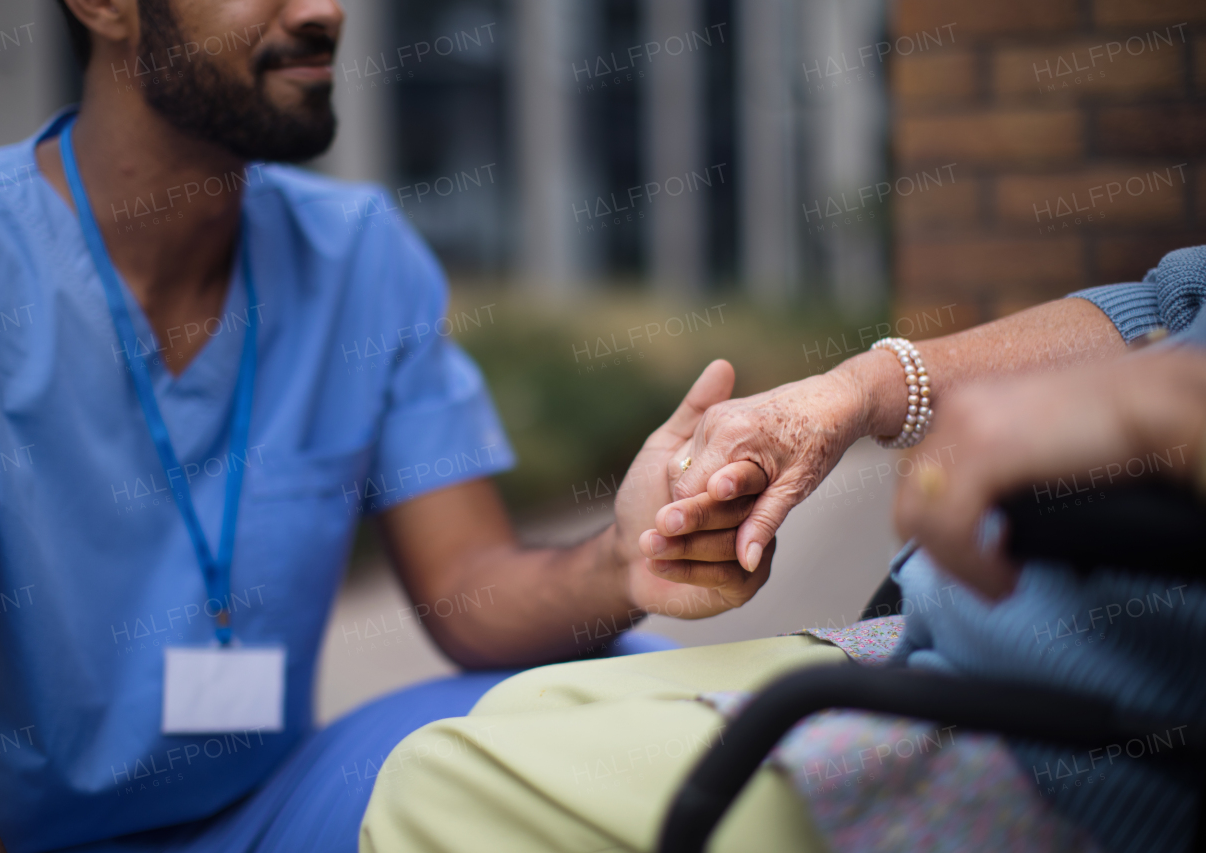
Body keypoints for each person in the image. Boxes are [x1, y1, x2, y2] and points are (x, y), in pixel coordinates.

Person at [0, 2, 774, 851]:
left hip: (263, 817)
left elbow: (471, 588)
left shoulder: (356, 254)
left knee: (625, 693)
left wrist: (625, 558)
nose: (324, 9)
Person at [361, 245, 1206, 853]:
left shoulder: (364, 258)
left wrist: (1164, 407)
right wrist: (857, 389)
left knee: (435, 783)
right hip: (932, 645)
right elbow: (1172, 301)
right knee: (522, 709)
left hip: (1096, 752)